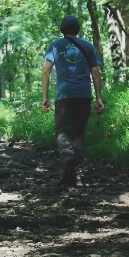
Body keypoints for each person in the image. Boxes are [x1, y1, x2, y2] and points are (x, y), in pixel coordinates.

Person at [41, 15, 104, 187]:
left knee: (62, 132)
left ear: (62, 29)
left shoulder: (54, 46)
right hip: (84, 95)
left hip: (64, 96)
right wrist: (99, 97)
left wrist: (45, 97)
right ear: (78, 29)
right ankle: (74, 176)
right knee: (78, 134)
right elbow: (96, 72)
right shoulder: (88, 46)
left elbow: (46, 71)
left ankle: (68, 160)